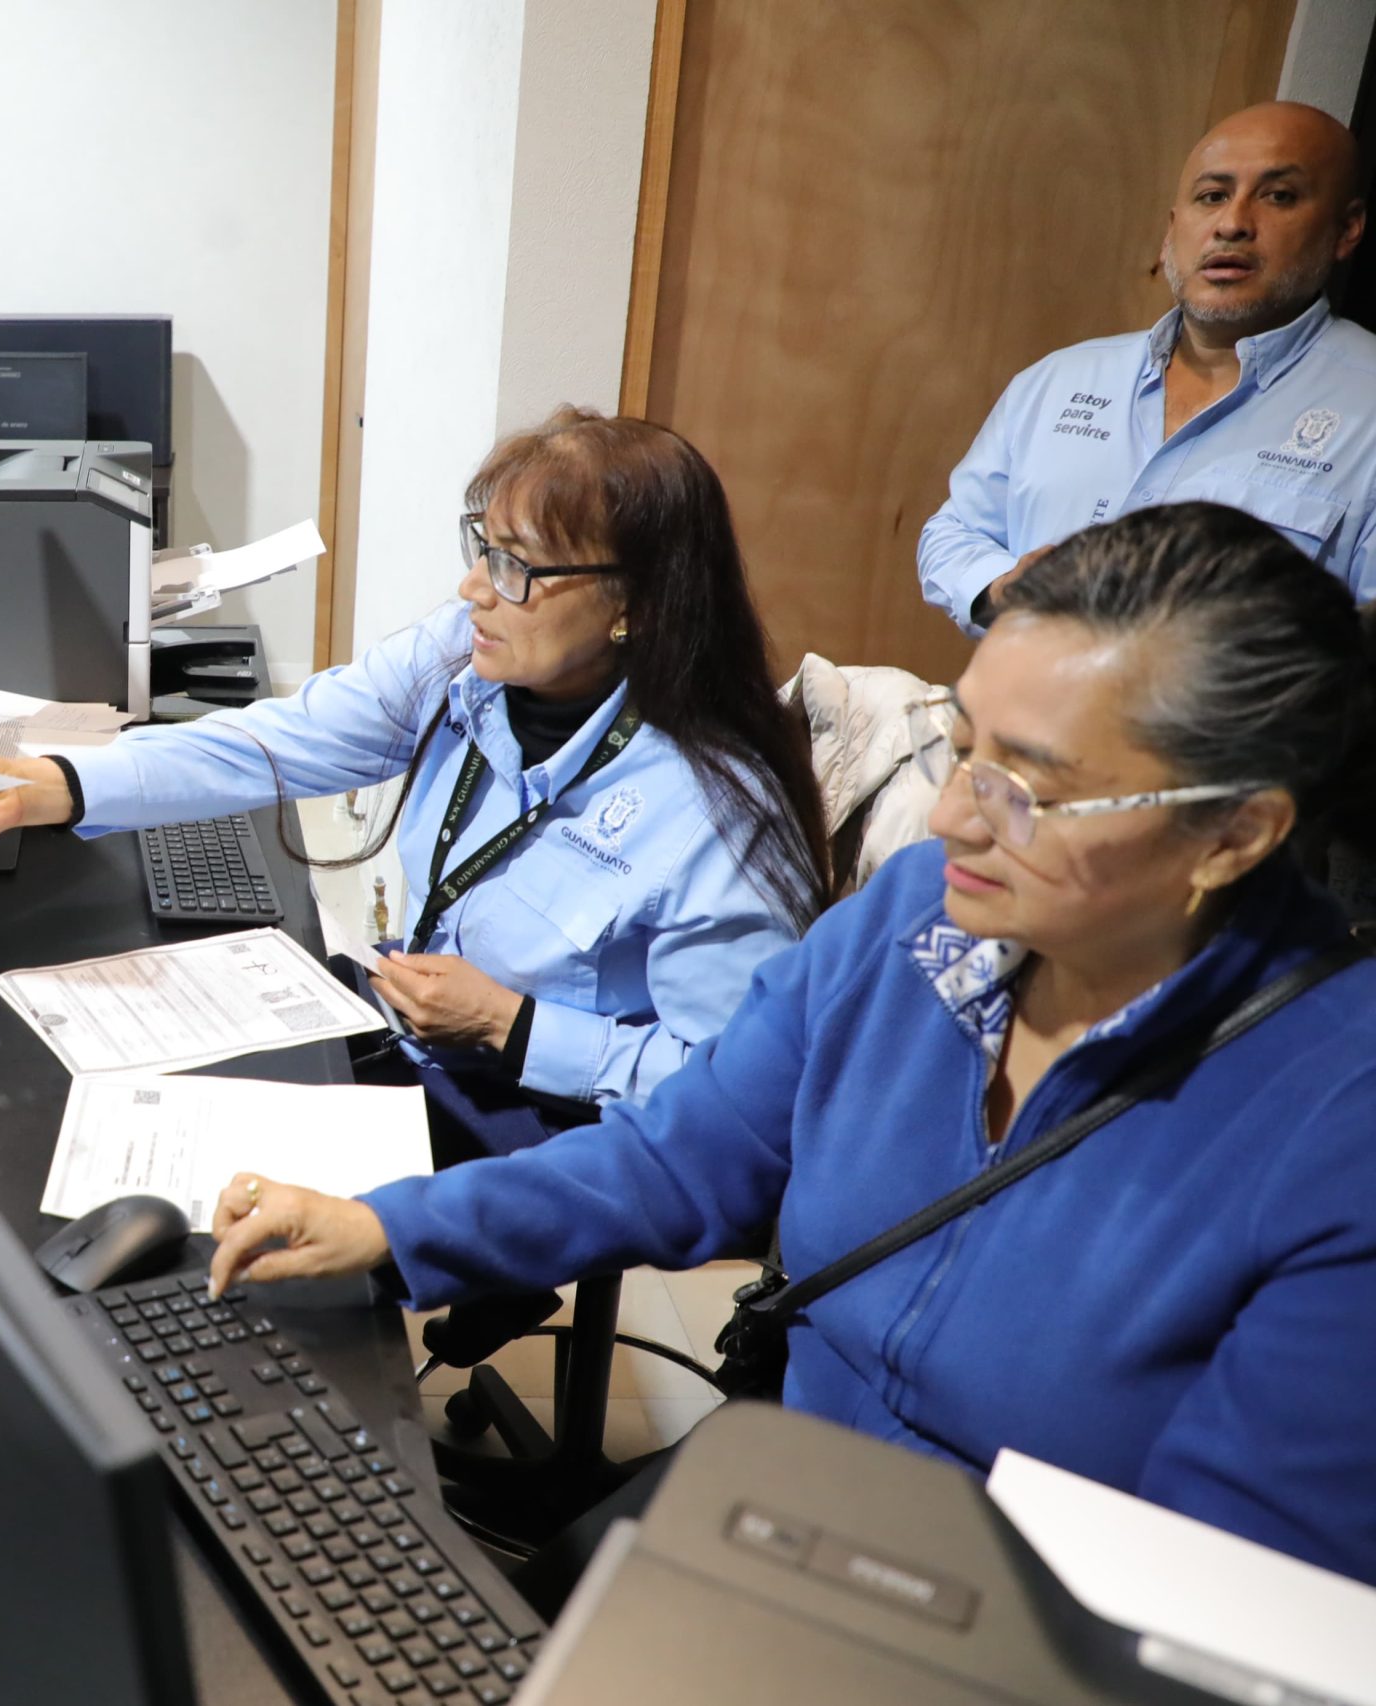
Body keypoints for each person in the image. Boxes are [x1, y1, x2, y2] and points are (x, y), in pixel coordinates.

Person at [211, 501, 1376, 1591]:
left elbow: (1223, 1604)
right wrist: (385, 1226)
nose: (956, 815)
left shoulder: (1338, 1120)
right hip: (779, 1499)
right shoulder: (921, 910)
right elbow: (681, 1157)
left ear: (1235, 832)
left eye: (1029, 788)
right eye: (961, 747)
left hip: (1014, 1626)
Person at [0, 408, 830, 1150]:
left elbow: (745, 1090)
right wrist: (58, 784)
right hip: (418, 1039)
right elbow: (282, 742)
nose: (472, 591)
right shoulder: (468, 658)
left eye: (518, 568)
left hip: (559, 1120)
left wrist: (517, 1026)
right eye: (481, 548)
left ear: (635, 604)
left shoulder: (717, 815)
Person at [919, 102, 1375, 633]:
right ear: (1171, 232)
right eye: (1212, 196)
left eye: (1278, 196)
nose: (1232, 224)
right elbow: (955, 529)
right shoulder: (1060, 379)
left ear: (1346, 229)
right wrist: (1002, 587)